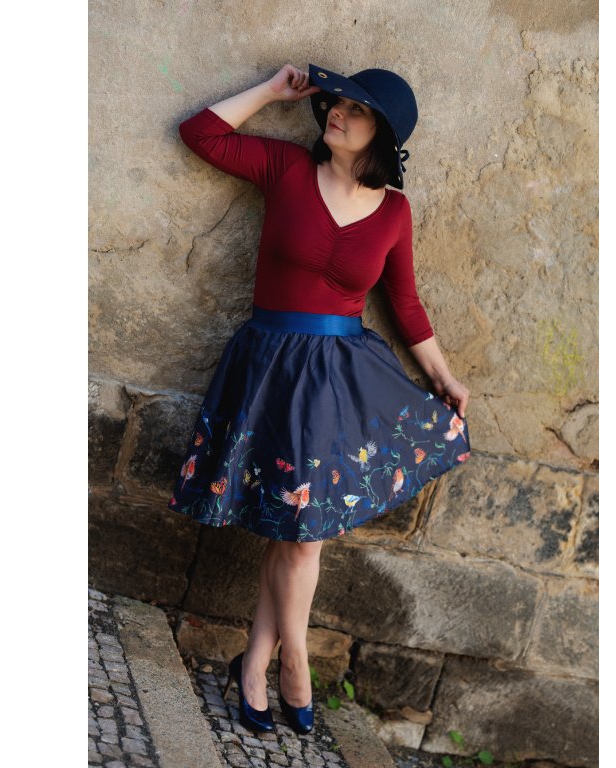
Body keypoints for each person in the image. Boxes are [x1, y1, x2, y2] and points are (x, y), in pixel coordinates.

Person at [168, 63, 472, 736]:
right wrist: (272, 91)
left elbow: (406, 304)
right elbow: (200, 134)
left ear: (382, 134)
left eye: (355, 109)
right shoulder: (285, 170)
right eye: (336, 101)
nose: (337, 110)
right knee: (299, 534)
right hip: (271, 370)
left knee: (304, 534)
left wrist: (444, 377)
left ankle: (263, 661)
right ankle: (289, 662)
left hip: (339, 380)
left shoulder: (394, 212)